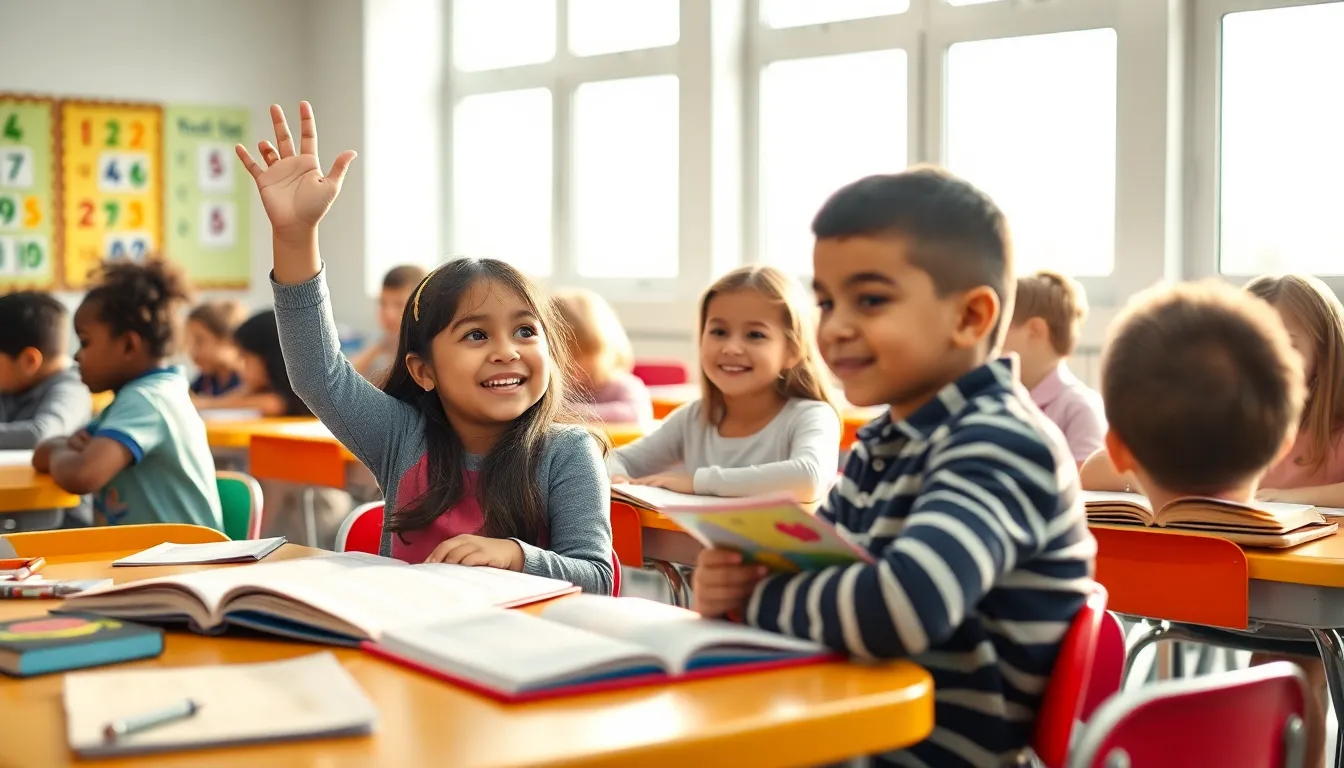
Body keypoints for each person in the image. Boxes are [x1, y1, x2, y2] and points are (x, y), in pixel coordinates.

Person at [693, 169, 1095, 767]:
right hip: (845, 725)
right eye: (826, 301)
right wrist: (727, 585)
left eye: (871, 300)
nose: (835, 327)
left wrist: (753, 599)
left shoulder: (1000, 440)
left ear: (971, 317)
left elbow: (901, 608)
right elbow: (808, 561)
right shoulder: (888, 439)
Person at [237, 102, 613, 593]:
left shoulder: (566, 451)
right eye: (477, 335)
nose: (507, 351)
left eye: (525, 331)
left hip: (526, 655)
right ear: (422, 370)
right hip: (411, 642)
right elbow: (317, 373)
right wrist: (294, 235)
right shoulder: (402, 437)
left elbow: (598, 578)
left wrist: (515, 556)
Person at [606, 265, 840, 503]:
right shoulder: (693, 419)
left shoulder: (812, 416)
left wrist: (698, 482)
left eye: (755, 335)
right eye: (719, 332)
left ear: (793, 350)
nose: (731, 348)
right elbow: (616, 460)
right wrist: (619, 480)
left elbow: (808, 479)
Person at [33, 259, 222, 530]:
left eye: (85, 342)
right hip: (149, 560)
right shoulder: (136, 398)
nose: (76, 356)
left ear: (128, 345)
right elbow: (41, 455)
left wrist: (58, 452)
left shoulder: (147, 400)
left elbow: (83, 475)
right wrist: (60, 449)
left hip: (181, 563)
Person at [0, 292, 92, 530]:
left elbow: (40, 434)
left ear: (29, 361)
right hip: (14, 517)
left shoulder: (73, 387)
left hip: (61, 528)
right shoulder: (11, 386)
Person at [1001, 270, 1106, 463]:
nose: (993, 337)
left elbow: (1089, 480)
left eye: (1001, 325)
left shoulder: (1078, 407)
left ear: (1034, 330)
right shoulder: (1003, 398)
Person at [553, 288, 653, 425]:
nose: (570, 365)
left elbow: (635, 414)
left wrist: (570, 414)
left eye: (578, 355)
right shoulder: (557, 391)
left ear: (604, 351)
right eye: (559, 358)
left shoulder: (623, 386)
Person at [193, 310, 311, 417]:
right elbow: (236, 397)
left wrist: (204, 404)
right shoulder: (261, 387)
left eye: (245, 357)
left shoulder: (291, 398)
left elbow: (272, 404)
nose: (241, 365)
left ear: (268, 357)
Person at [351, 264, 429, 382]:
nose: (389, 314)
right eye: (383, 303)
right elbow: (344, 379)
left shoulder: (425, 351)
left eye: (399, 304)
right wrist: (377, 348)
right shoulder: (380, 342)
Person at [185, 300, 246, 397]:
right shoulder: (206, 380)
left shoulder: (246, 378)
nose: (193, 352)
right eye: (189, 343)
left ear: (226, 340)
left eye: (200, 341)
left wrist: (204, 404)